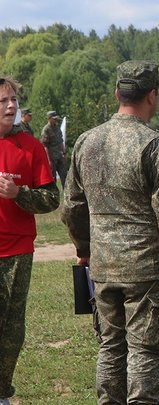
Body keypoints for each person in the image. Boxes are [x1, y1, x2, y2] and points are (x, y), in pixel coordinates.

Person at [61, 60, 159, 404]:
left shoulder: (86, 142)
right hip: (147, 270)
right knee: (144, 352)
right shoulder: (154, 144)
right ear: (152, 96)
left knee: (111, 347)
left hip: (104, 269)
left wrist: (85, 249)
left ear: (117, 93)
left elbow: (71, 207)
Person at [0, 77, 60, 405]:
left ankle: (2, 392)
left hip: (17, 253)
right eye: (2, 101)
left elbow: (52, 198)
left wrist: (18, 194)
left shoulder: (31, 147)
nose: (11, 106)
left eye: (13, 100)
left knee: (11, 332)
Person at [40, 110, 67, 188]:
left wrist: (64, 153)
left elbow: (61, 141)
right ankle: (54, 196)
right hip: (52, 158)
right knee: (53, 178)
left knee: (64, 176)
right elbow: (44, 146)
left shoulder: (57, 127)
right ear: (49, 118)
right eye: (54, 118)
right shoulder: (46, 130)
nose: (55, 120)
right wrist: (48, 160)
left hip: (59, 156)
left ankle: (67, 195)